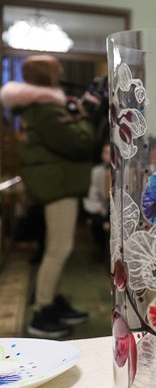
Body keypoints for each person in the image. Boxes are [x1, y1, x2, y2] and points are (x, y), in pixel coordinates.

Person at [0, 55, 94, 338]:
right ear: (49, 75)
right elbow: (78, 143)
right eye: (57, 70)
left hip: (54, 183)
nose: (62, 73)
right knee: (58, 249)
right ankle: (42, 313)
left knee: (54, 247)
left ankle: (52, 301)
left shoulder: (36, 107)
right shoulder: (47, 109)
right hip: (58, 185)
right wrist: (85, 118)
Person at [82, 141, 111, 262]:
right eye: (105, 153)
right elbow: (92, 193)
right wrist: (99, 208)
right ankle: (100, 249)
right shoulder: (96, 171)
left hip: (118, 208)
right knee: (96, 222)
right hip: (102, 206)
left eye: (110, 153)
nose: (107, 156)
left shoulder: (124, 171)